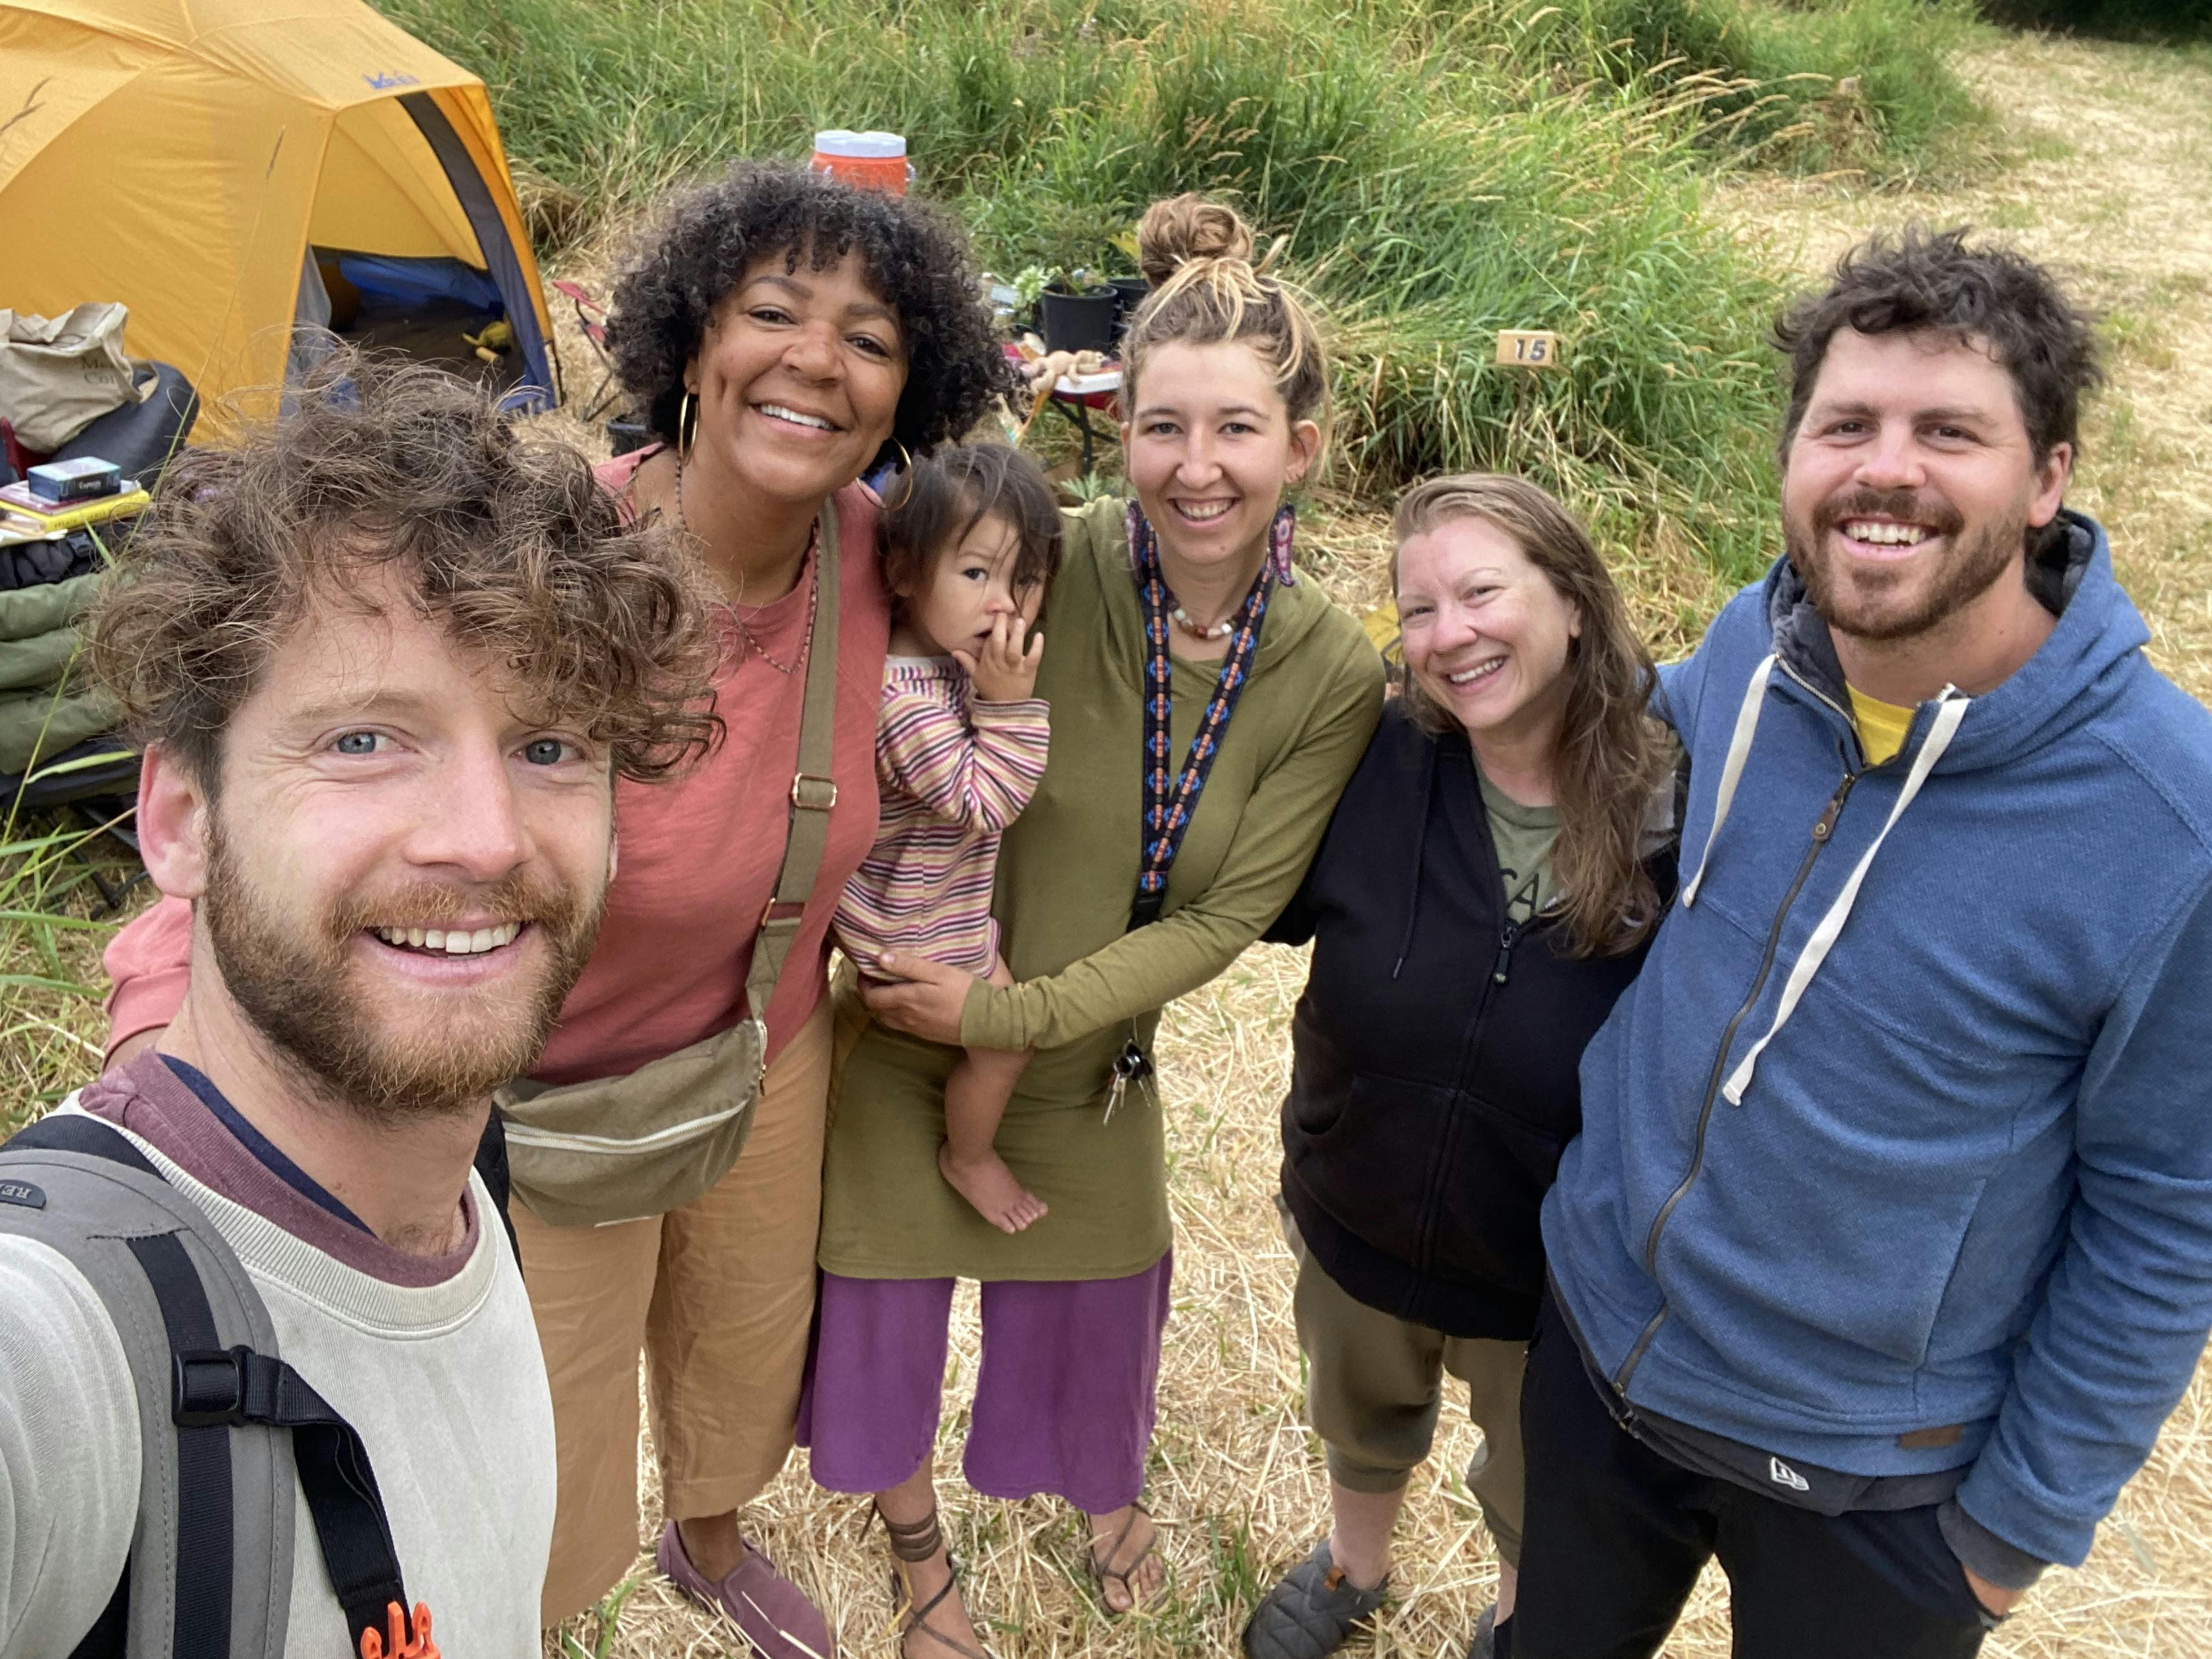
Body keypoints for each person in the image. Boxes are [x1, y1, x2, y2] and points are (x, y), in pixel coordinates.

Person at [97, 162, 1010, 1657]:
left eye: (869, 338)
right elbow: (291, 777)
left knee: (740, 1347)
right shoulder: (534, 556)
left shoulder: (887, 555)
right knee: (554, 1419)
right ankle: (556, 1604)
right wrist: (160, 1046)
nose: (815, 360)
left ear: (908, 392)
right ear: (690, 350)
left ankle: (710, 1537)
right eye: (771, 312)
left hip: (763, 1052)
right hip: (537, 1098)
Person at [1522, 228, 2212, 1659]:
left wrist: (2006, 1541)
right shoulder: (1752, 653)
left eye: (1947, 431)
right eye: (1845, 425)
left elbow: (2165, 1214)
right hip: (1601, 1349)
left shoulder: (2168, 828)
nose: (1882, 469)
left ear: (2048, 479)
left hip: (1871, 1477)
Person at [0, 352, 719, 1658]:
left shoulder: (466, 1179)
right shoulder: (74, 1334)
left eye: (549, 746)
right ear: (179, 816)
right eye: (364, 739)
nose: (485, 839)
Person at [802, 194, 1385, 1659]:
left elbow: (1232, 918)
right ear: (1115, 429)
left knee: (1099, 1287)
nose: (1197, 469)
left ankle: (1097, 1498)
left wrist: (1000, 1017)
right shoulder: (1037, 560)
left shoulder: (1324, 667)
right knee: (884, 1302)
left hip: (1059, 1037)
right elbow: (861, 550)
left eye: (1238, 431)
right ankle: (921, 1562)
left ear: (1300, 448)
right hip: (901, 1011)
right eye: (1162, 428)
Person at [1244, 474, 1677, 1659]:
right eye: (1418, 608)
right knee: (1361, 1405)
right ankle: (1353, 1561)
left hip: (1545, 1251)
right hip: (1359, 1190)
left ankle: (1516, 1616)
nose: (1450, 634)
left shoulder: (1671, 799)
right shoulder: (1374, 757)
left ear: (1575, 599)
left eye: (1482, 591)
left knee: (1537, 1465)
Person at [832, 443, 1062, 1234]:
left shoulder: (942, 663)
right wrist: (1009, 707)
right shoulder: (902, 700)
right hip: (913, 929)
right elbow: (986, 799)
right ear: (903, 574)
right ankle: (968, 1157)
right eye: (976, 575)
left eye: (1023, 580)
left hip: (933, 908)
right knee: (1006, 1048)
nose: (1004, 605)